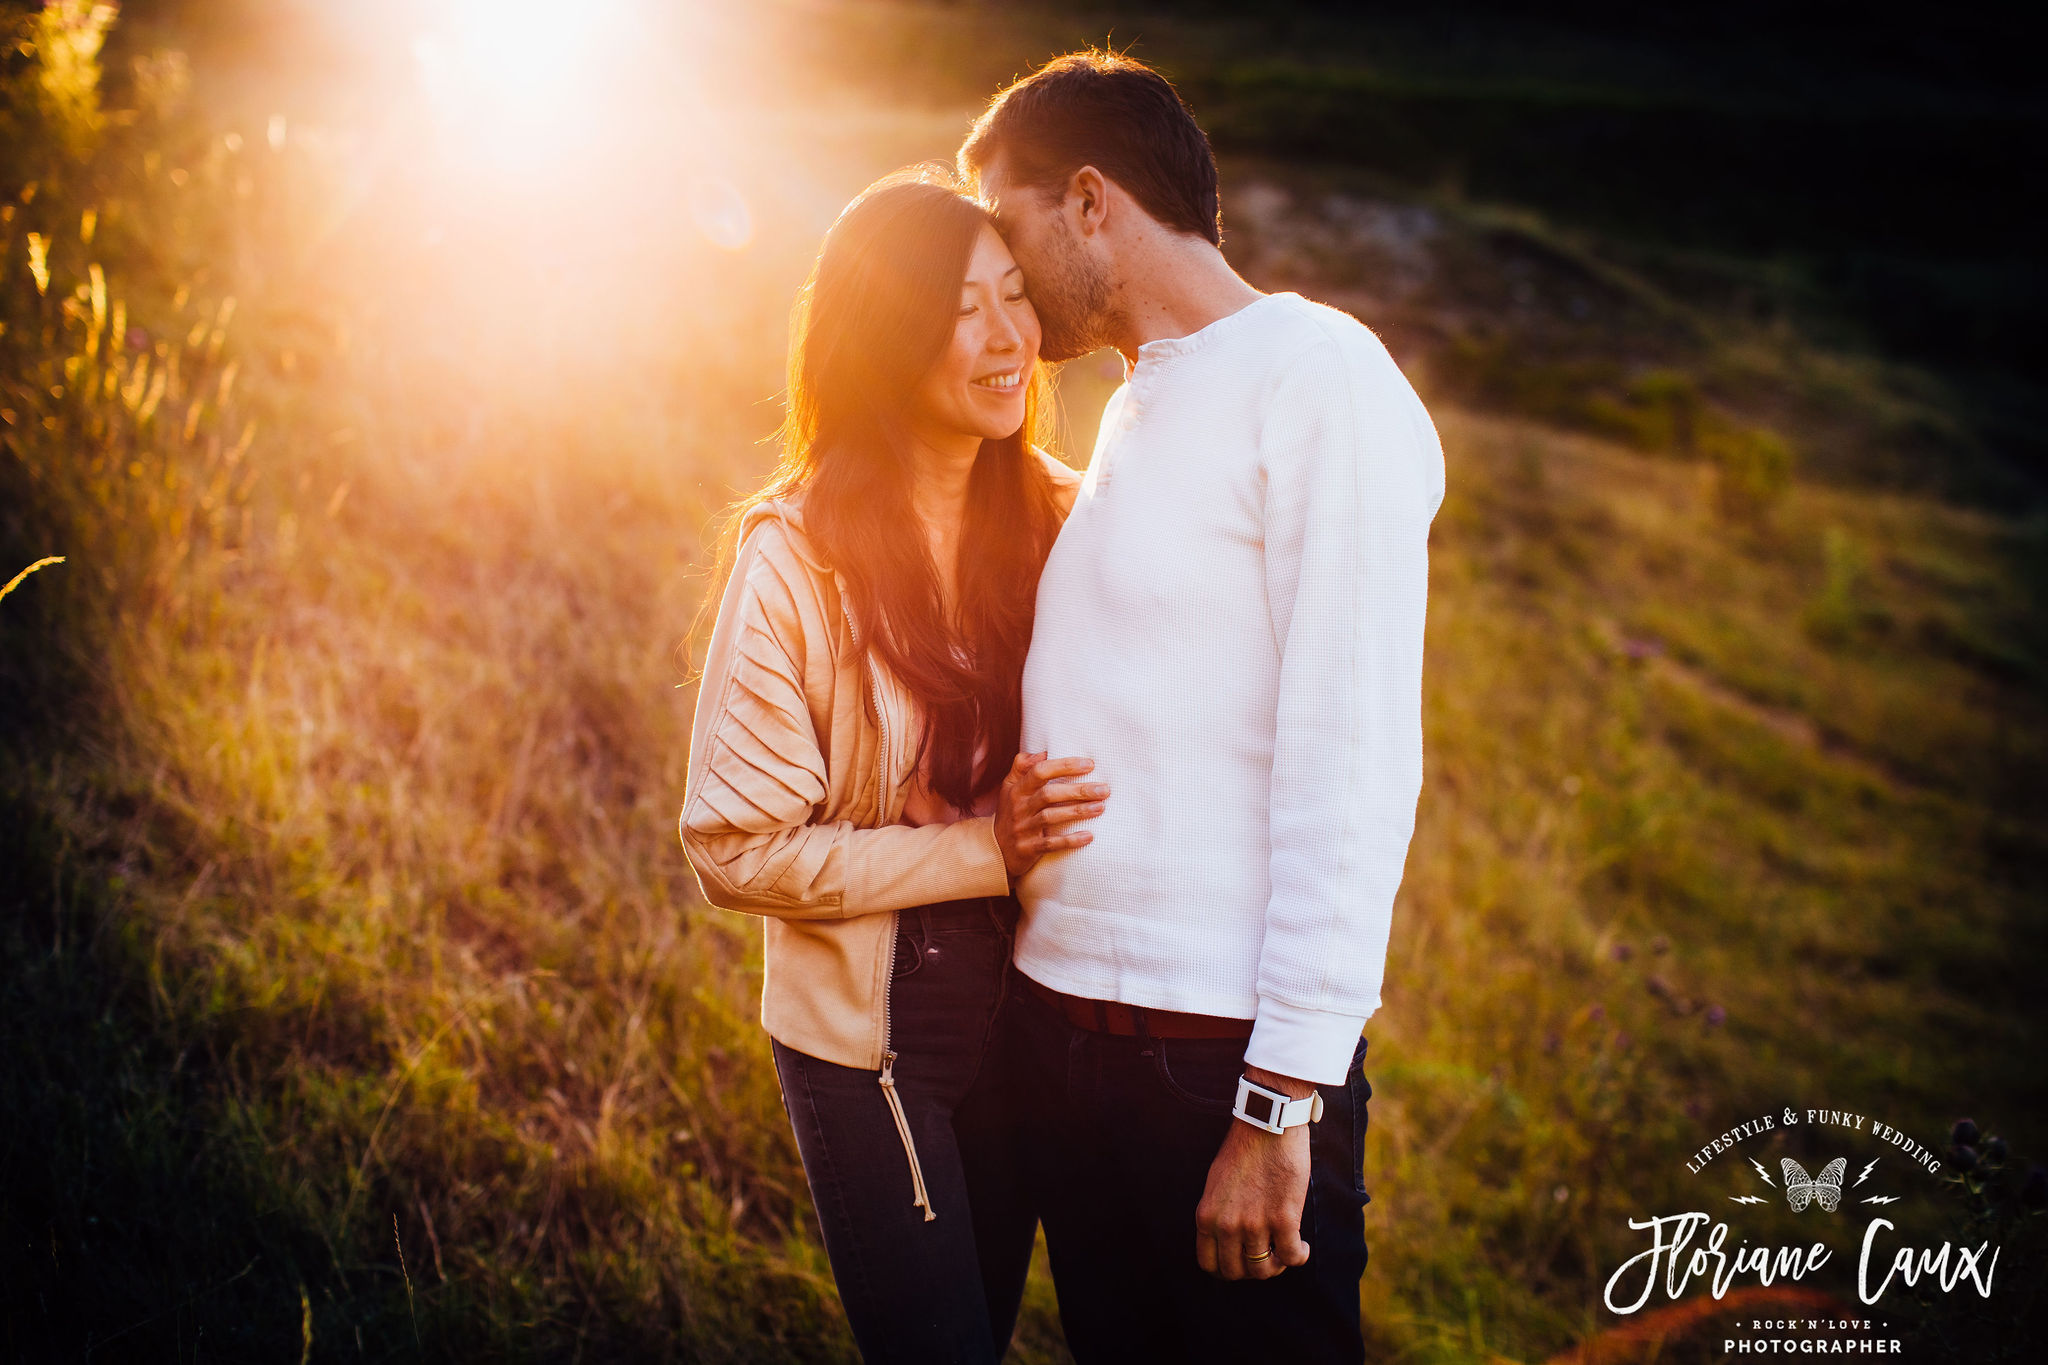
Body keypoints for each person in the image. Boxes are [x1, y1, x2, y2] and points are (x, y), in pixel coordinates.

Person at [957, 52, 1447, 1363]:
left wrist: (1279, 1100)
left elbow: (1353, 758)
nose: (1003, 285)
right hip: (1066, 1041)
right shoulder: (1135, 407)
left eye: (1009, 237)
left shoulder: (1315, 373)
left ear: (1090, 200)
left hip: (1210, 1061)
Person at [678, 167, 1106, 1364]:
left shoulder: (1073, 520)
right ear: (879, 338)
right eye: (957, 309)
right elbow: (731, 843)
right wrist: (977, 848)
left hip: (1037, 999)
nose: (1005, 337)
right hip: (873, 1030)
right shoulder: (795, 557)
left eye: (1013, 296)